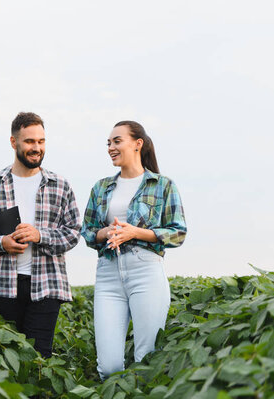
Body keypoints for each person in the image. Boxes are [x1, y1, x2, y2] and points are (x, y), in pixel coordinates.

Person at [0, 111, 81, 358]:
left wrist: (40, 235)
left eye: (41, 141)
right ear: (14, 142)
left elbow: (73, 233)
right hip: (2, 285)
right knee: (4, 359)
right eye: (29, 141)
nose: (36, 148)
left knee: (38, 360)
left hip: (47, 286)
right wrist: (2, 242)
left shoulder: (60, 185)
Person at [81, 121, 186, 378]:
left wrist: (134, 232)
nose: (111, 147)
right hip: (108, 272)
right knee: (109, 366)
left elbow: (178, 232)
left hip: (145, 271)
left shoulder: (163, 185)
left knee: (147, 360)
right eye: (108, 143)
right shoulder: (101, 187)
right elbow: (87, 231)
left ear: (137, 144)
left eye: (117, 141)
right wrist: (105, 232)